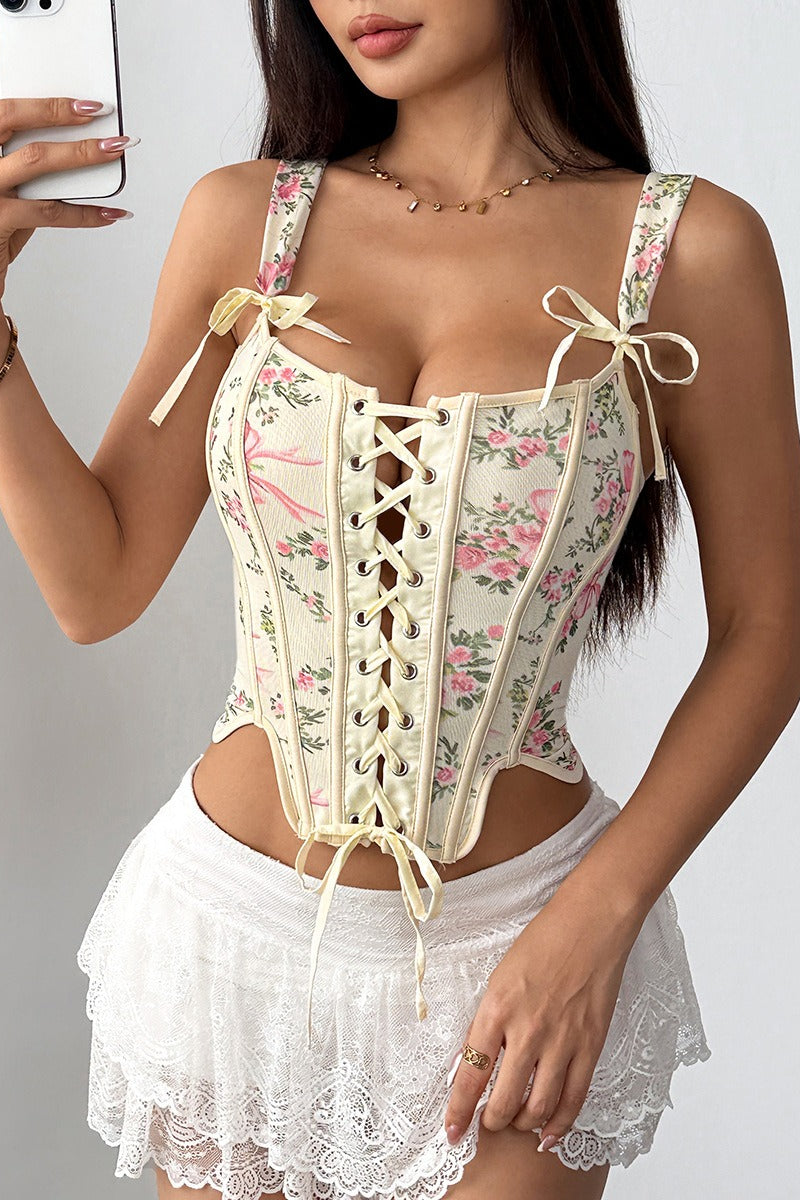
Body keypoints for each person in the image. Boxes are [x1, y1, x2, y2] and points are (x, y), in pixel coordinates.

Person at [1, 2, 798, 1199]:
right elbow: (95, 586)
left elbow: (765, 628)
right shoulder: (247, 222)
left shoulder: (686, 249)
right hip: (232, 950)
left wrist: (598, 919)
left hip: (520, 951)